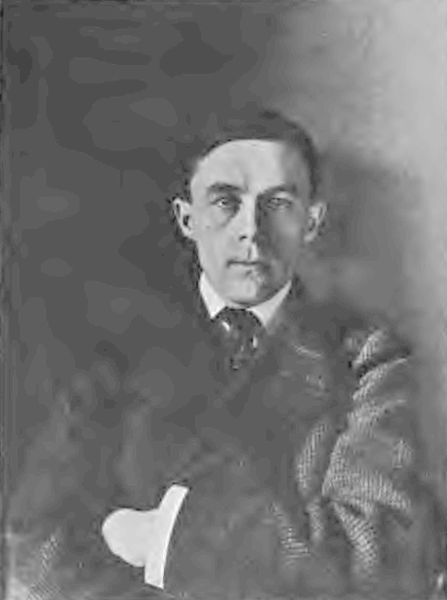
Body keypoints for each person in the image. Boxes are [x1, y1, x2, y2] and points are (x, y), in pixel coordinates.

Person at [6, 107, 443, 600]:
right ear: (187, 219)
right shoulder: (116, 356)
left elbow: (380, 553)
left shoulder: (367, 359)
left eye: (278, 204)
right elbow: (37, 540)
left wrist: (163, 538)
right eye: (224, 202)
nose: (250, 230)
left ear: (312, 222)